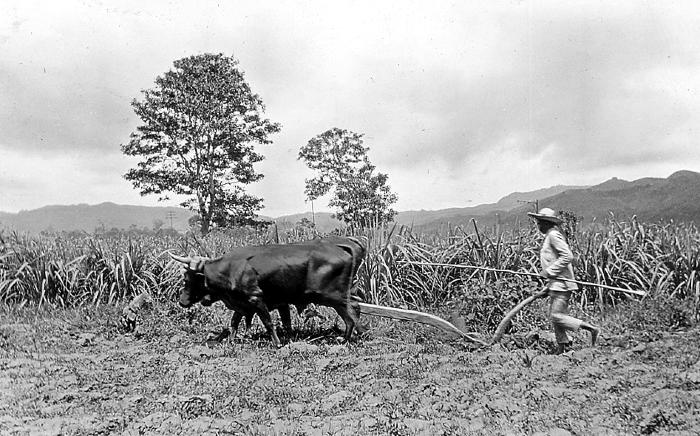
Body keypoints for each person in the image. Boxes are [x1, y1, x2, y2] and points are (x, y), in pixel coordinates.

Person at [528, 207, 600, 354]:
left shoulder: (554, 235)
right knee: (556, 319)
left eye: (539, 223)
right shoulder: (549, 236)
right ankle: (563, 348)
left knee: (556, 316)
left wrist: (549, 272)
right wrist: (548, 285)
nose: (538, 226)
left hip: (563, 284)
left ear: (546, 223)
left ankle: (592, 329)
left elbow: (567, 256)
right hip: (556, 284)